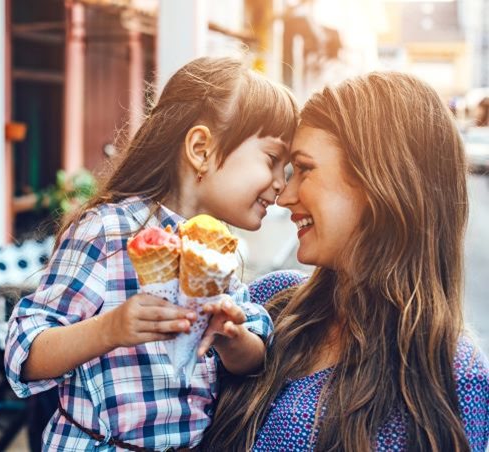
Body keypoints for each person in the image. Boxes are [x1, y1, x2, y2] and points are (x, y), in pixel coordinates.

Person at [4, 56, 298, 451]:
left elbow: (257, 356)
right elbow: (24, 353)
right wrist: (110, 329)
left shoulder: (219, 249)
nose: (281, 183)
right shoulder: (109, 232)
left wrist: (232, 337)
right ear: (201, 148)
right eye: (272, 160)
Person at [202, 71, 489, 451]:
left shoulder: (454, 375)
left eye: (304, 169)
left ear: (379, 182)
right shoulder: (270, 302)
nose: (283, 196)